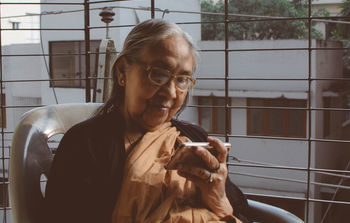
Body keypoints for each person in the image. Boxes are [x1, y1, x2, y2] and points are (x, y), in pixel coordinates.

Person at [45, 19, 249, 223]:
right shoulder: (86, 145)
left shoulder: (195, 141)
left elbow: (240, 215)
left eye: (181, 80)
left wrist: (218, 198)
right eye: (158, 74)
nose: (170, 93)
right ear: (122, 72)